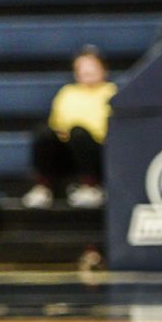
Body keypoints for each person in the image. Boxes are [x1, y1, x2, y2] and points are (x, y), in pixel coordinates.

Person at [23, 46, 116, 209]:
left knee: (79, 133)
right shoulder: (66, 92)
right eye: (82, 67)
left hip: (98, 150)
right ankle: (43, 188)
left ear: (103, 69)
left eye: (92, 66)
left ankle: (90, 187)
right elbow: (56, 123)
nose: (87, 71)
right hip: (68, 150)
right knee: (44, 134)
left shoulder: (112, 92)